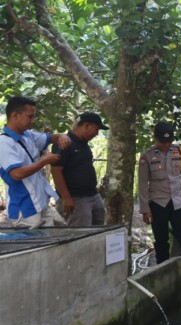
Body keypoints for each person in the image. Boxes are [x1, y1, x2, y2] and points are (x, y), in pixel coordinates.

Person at [0, 96, 71, 228]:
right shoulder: (4, 143)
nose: (32, 121)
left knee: (49, 241)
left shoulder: (27, 135)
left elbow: (51, 138)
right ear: (15, 115)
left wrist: (62, 136)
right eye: (29, 116)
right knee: (32, 244)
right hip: (24, 207)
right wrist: (44, 161)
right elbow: (16, 174)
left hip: (41, 202)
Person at [138, 121, 181, 264]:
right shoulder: (147, 155)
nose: (166, 145)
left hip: (177, 202)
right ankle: (163, 271)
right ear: (155, 138)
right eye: (163, 141)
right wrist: (145, 209)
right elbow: (142, 183)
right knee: (161, 241)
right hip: (158, 203)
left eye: (169, 141)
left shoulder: (180, 151)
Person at [50, 112, 109, 226]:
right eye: (96, 129)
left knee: (98, 230)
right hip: (76, 198)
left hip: (92, 195)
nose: (97, 134)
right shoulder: (65, 142)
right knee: (81, 234)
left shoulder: (84, 144)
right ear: (86, 125)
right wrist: (66, 197)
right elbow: (56, 170)